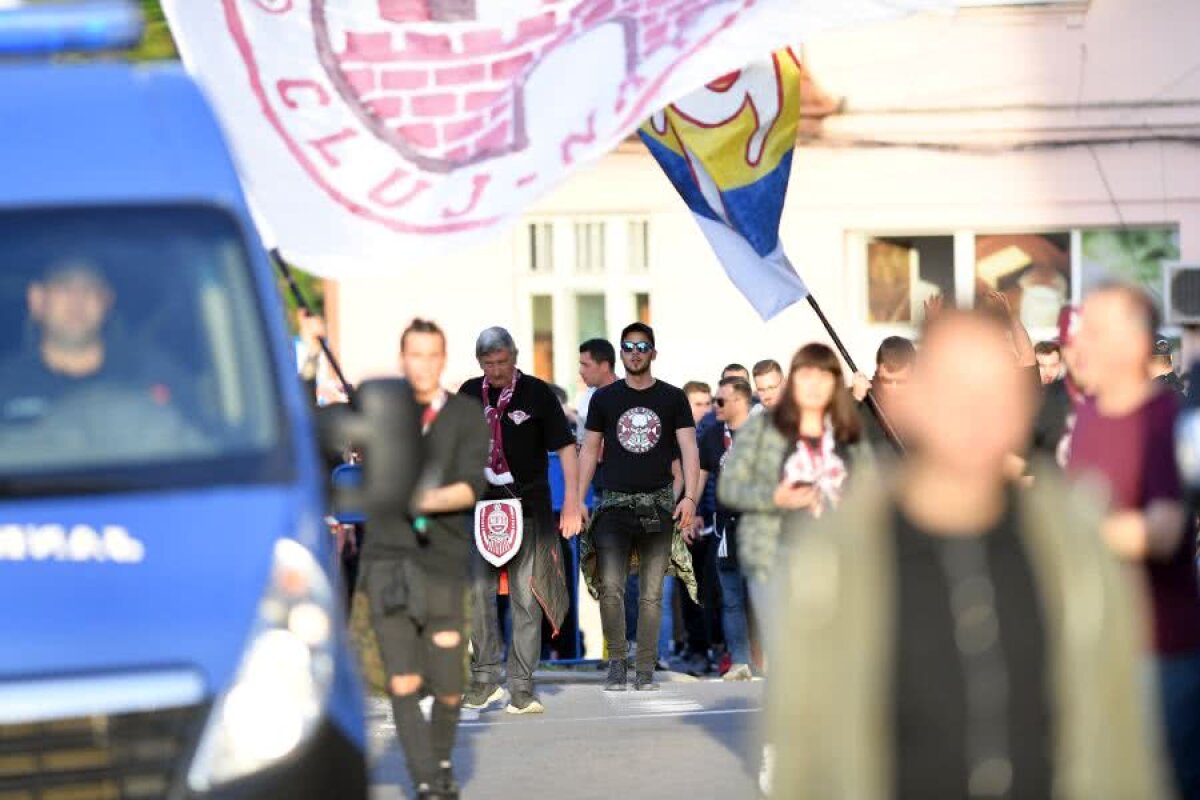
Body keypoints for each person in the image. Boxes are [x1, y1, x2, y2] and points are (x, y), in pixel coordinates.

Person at [768, 309, 1167, 800]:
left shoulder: (1075, 548)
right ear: (916, 401)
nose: (976, 412)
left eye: (996, 393)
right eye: (956, 389)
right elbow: (806, 755)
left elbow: (1121, 744)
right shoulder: (838, 558)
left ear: (1024, 406)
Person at [1068, 284, 1200, 800]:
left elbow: (1164, 530)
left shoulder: (1168, 421)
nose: (1081, 343)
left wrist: (1061, 526)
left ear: (1134, 341)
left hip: (1158, 651)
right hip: (1099, 648)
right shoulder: (1089, 417)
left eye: (1094, 332)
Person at [359, 319, 489, 800]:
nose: (424, 365)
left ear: (443, 358)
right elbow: (317, 427)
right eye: (415, 355)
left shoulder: (465, 415)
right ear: (402, 359)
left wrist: (421, 499)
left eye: (433, 355)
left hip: (443, 564)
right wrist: (310, 357)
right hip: (388, 562)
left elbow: (470, 486)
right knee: (404, 680)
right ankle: (428, 782)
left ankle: (438, 759)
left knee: (449, 685)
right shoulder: (381, 412)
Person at [459, 327, 582, 715]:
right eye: (488, 364)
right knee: (478, 594)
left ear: (515, 355)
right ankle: (483, 679)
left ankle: (522, 687)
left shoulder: (537, 393)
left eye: (502, 362)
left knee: (526, 597)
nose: (496, 371)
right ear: (479, 362)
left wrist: (574, 503)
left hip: (528, 505)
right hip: (480, 507)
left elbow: (565, 449)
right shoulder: (466, 393)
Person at [577, 322, 699, 691]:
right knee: (610, 586)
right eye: (628, 346)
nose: (634, 352)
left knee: (651, 593)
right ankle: (617, 662)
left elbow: (690, 450)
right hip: (613, 505)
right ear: (621, 352)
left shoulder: (673, 398)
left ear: (653, 353)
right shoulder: (605, 399)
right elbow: (589, 451)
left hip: (658, 507)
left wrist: (690, 497)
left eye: (642, 346)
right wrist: (577, 500)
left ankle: (644, 668)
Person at [720, 343, 869, 638]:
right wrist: (774, 497)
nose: (767, 394)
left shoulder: (843, 427)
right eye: (761, 388)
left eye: (823, 379)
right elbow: (731, 488)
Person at [0, 258, 193, 424]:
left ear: (106, 301)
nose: (77, 301)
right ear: (37, 299)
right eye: (64, 287)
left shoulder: (153, 373)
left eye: (90, 289)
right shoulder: (6, 385)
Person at [696, 377, 755, 680]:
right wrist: (691, 507)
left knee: (759, 594)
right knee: (730, 597)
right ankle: (740, 660)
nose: (714, 407)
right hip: (724, 526)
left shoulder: (761, 435)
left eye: (720, 401)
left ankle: (770, 659)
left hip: (758, 525)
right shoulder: (711, 435)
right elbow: (702, 474)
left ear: (740, 401)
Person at [851, 335, 915, 455]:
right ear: (877, 370)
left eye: (901, 382)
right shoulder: (861, 399)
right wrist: (855, 401)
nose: (893, 388)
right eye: (886, 381)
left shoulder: (929, 409)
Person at [576, 338, 618, 444]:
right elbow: (581, 443)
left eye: (585, 365)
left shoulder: (628, 395)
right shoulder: (585, 399)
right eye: (581, 365)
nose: (580, 371)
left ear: (604, 366)